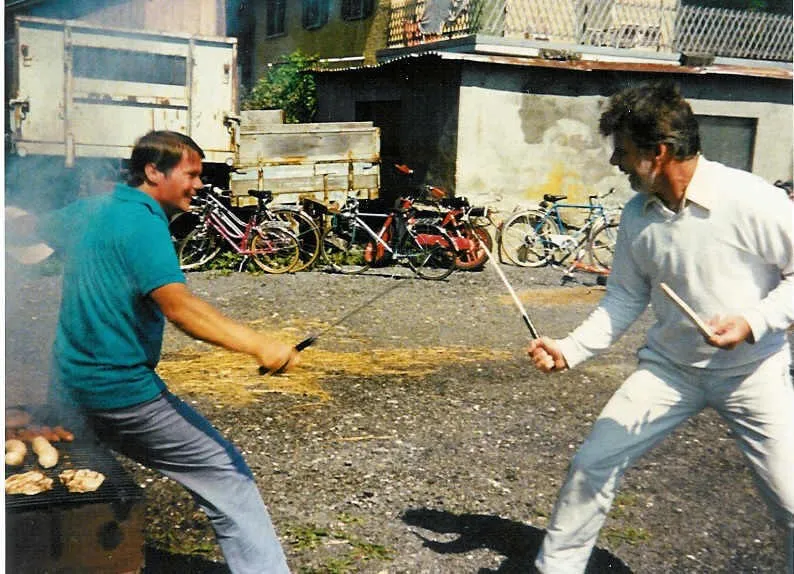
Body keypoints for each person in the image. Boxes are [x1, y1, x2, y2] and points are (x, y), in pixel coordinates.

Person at [527, 82, 794, 573]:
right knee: (590, 467)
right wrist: (570, 349)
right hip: (670, 372)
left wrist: (753, 322)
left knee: (792, 501)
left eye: (623, 151)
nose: (616, 162)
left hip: (753, 375)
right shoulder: (637, 215)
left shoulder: (753, 200)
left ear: (660, 152)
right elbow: (624, 297)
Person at [7, 131, 299, 574]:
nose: (199, 184)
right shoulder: (144, 224)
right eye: (191, 174)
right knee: (226, 473)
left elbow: (26, 227)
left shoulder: (92, 209)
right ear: (153, 171)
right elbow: (180, 307)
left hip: (69, 387)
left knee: (75, 475)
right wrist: (261, 345)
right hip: (121, 394)